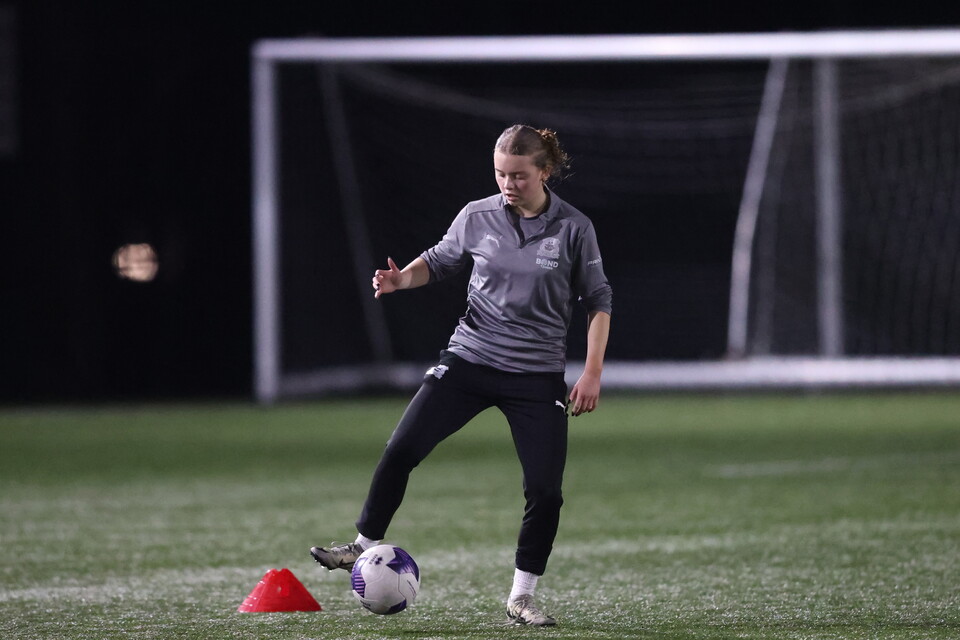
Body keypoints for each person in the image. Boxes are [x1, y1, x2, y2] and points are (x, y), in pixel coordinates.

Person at [310, 124, 612, 626]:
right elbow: (440, 260)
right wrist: (402, 278)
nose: (507, 184)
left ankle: (521, 596)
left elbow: (598, 300)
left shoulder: (574, 229)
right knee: (402, 449)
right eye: (499, 173)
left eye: (518, 175)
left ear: (544, 171)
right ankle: (360, 547)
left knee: (545, 490)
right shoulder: (477, 216)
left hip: (535, 376)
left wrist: (593, 372)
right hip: (469, 358)